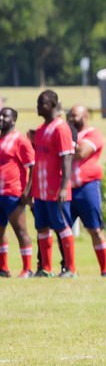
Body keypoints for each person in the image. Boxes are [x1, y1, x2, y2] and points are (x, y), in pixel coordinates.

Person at [31, 90, 77, 278]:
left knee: (62, 226)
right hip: (41, 189)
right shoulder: (41, 129)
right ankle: (46, 268)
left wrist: (63, 187)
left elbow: (67, 158)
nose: (38, 107)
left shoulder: (61, 128)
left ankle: (71, 269)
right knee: (42, 227)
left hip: (55, 188)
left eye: (41, 103)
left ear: (52, 105)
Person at [68, 105, 106, 277]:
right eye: (69, 116)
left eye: (75, 115)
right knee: (64, 230)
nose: (71, 119)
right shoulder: (67, 134)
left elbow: (81, 152)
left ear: (85, 116)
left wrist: (64, 148)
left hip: (87, 187)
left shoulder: (93, 134)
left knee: (95, 229)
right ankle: (69, 269)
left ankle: (105, 269)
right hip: (67, 188)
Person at [0, 107, 36, 278]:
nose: (1, 119)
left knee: (21, 231)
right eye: (0, 116)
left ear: (14, 120)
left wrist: (28, 192)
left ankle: (27, 269)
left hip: (13, 193)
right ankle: (3, 268)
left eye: (5, 116)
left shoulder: (20, 140)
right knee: (0, 232)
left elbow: (33, 166)